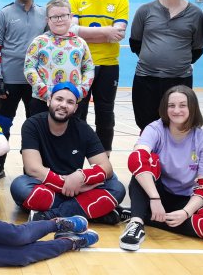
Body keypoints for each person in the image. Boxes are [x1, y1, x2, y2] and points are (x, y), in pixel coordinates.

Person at [120, 85, 203, 251]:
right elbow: (136, 159)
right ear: (165, 108)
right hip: (155, 193)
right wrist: (155, 199)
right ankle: (136, 223)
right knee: (148, 161)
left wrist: (185, 213)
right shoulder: (155, 129)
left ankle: (147, 218)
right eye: (171, 105)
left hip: (184, 199)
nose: (176, 110)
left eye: (182, 105)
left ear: (192, 107)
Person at [10, 82, 126, 224]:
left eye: (70, 102)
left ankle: (48, 215)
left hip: (75, 186)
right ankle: (92, 211)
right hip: (47, 185)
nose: (64, 105)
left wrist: (81, 176)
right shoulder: (32, 125)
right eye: (59, 99)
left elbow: (106, 168)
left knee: (117, 187)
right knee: (20, 186)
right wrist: (66, 183)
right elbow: (33, 168)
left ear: (75, 108)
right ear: (49, 101)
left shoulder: (83, 129)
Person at [130, 0, 203, 131]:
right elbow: (135, 43)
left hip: (180, 80)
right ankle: (148, 158)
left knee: (177, 126)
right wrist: (153, 60)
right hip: (146, 79)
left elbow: (197, 49)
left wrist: (175, 63)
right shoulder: (145, 10)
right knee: (147, 127)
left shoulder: (196, 14)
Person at [69, 0, 129, 154]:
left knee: (105, 115)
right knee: (78, 113)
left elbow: (119, 33)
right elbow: (72, 32)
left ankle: (104, 162)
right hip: (81, 65)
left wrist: (86, 32)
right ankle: (75, 157)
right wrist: (106, 31)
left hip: (109, 65)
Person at [0, 0, 46, 174]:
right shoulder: (4, 14)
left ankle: (32, 168)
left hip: (36, 83)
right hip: (10, 81)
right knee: (3, 123)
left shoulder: (45, 14)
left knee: (35, 126)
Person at [24, 0, 95, 116]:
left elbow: (88, 68)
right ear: (47, 20)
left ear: (71, 17)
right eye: (54, 17)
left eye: (64, 15)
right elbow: (29, 68)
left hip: (72, 101)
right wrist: (43, 90)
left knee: (72, 133)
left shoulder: (80, 43)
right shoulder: (39, 42)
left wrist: (82, 90)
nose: (59, 20)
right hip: (42, 101)